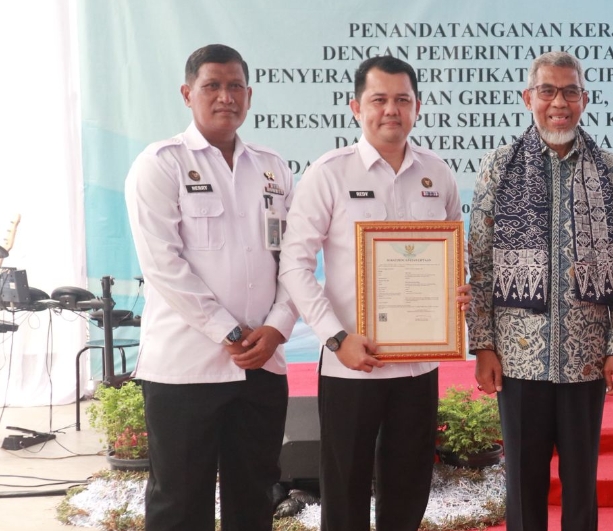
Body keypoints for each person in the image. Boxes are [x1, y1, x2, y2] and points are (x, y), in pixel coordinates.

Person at [278, 55, 470, 531]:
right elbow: (295, 265)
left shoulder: (438, 174)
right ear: (355, 107)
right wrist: (336, 337)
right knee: (344, 490)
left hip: (418, 362)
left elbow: (453, 257)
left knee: (409, 487)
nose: (391, 110)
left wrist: (457, 291)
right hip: (350, 365)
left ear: (418, 107)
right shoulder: (329, 173)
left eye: (402, 99)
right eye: (379, 99)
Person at [125, 44, 297, 531]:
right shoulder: (161, 164)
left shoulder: (273, 168)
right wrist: (230, 332)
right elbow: (163, 264)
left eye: (236, 85)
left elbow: (295, 260)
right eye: (213, 86)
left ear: (249, 94)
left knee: (255, 497)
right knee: (179, 502)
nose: (226, 96)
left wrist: (278, 328)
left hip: (262, 364)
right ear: (187, 93)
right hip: (186, 367)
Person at [467, 51, 613, 531]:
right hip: (518, 358)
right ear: (529, 98)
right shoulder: (499, 166)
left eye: (570, 91)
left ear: (584, 99)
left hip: (585, 356)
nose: (559, 102)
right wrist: (483, 345)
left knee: (582, 483)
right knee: (523, 483)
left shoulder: (609, 169)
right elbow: (478, 261)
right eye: (548, 91)